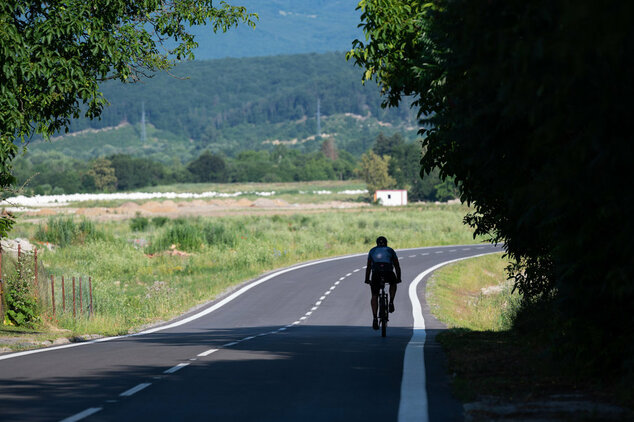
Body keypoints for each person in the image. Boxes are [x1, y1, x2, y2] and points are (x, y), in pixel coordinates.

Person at [364, 236, 401, 330]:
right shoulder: (390, 250)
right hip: (388, 272)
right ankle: (391, 301)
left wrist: (367, 279)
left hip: (376, 274)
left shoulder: (372, 251)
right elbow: (396, 265)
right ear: (386, 243)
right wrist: (398, 278)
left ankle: (375, 318)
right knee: (393, 283)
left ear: (377, 243)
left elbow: (368, 267)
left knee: (374, 295)